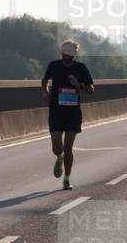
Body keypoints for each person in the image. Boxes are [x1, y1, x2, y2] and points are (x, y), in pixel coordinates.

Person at [41, 40, 95, 190]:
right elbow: (44, 80)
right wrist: (45, 93)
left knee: (68, 148)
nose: (66, 56)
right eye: (64, 53)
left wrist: (79, 85)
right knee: (57, 148)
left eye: (69, 54)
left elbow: (91, 90)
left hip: (73, 113)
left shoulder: (81, 68)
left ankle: (66, 179)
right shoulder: (54, 66)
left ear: (74, 55)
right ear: (61, 53)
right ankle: (59, 157)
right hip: (56, 111)